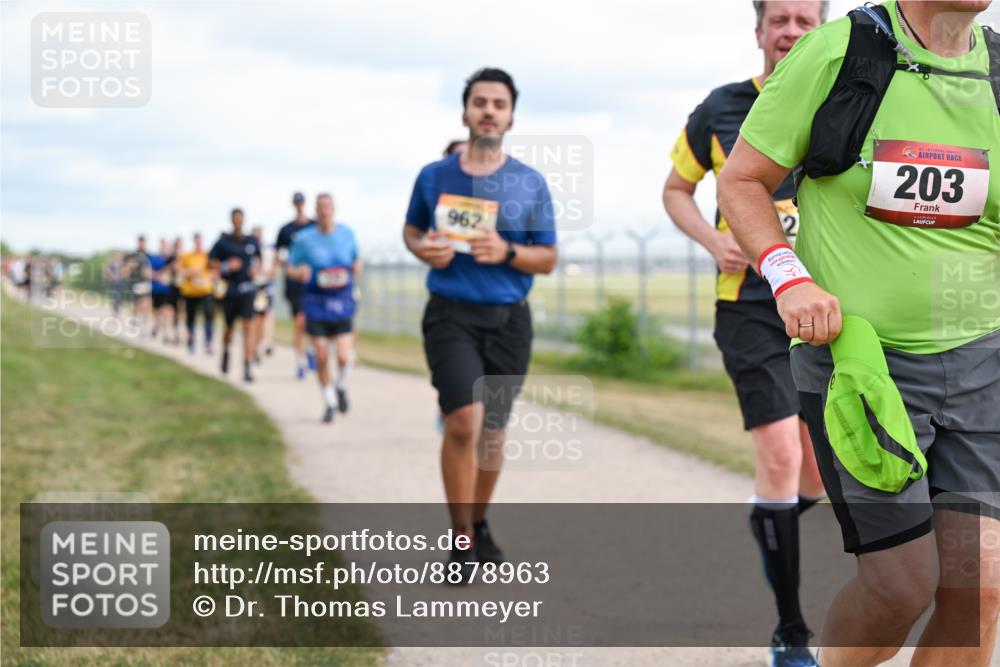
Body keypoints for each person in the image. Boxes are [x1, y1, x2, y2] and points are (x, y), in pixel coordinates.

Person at [719, 1, 999, 665]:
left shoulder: (996, 72)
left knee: (981, 582)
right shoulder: (842, 51)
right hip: (860, 366)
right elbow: (742, 180)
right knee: (901, 584)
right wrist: (789, 278)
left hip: (981, 365)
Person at [662, 2, 827, 664]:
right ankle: (791, 631)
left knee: (815, 472)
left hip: (826, 308)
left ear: (822, 29)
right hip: (751, 309)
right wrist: (712, 240)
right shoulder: (721, 109)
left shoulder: (848, 99)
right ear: (758, 32)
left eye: (803, 20)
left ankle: (771, 517)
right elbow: (676, 189)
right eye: (778, 19)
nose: (789, 31)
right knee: (782, 456)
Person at [403, 68, 558, 583]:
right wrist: (422, 247)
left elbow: (548, 257)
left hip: (510, 320)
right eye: (479, 102)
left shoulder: (530, 183)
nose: (488, 110)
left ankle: (479, 520)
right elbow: (412, 229)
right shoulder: (434, 176)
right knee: (464, 422)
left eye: (498, 103)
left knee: (492, 432)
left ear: (511, 116)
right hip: (451, 314)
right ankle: (461, 541)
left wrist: (509, 251)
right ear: (465, 112)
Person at [288, 194, 360, 423]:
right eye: (320, 207)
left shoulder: (347, 234)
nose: (325, 211)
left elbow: (357, 260)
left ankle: (341, 385)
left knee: (342, 356)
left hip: (342, 300)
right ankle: (328, 401)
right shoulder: (304, 239)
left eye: (328, 206)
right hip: (316, 301)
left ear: (334, 209)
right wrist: (299, 273)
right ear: (316, 211)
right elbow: (290, 268)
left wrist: (357, 267)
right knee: (320, 355)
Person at [209, 208, 261, 383]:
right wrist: (225, 266)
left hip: (247, 289)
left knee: (248, 327)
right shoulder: (223, 242)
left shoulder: (252, 241)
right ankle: (225, 352)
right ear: (232, 220)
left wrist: (256, 270)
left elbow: (259, 260)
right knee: (229, 328)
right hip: (230, 290)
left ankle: (247, 366)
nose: (238, 222)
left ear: (244, 220)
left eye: (241, 219)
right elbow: (211, 264)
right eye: (235, 219)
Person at [275, 192, 316, 378]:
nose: (299, 205)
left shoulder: (314, 226)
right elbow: (279, 256)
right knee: (299, 322)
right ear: (293, 204)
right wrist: (289, 267)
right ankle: (300, 360)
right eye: (297, 202)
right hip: (294, 282)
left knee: (313, 321)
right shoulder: (285, 230)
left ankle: (311, 351)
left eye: (302, 201)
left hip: (313, 282)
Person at [177, 232, 215, 355]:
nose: (198, 243)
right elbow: (180, 271)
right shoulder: (187, 256)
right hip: (190, 292)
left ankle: (208, 342)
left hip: (205, 291)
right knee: (190, 318)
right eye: (196, 240)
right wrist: (190, 272)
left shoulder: (208, 256)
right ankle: (191, 341)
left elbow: (214, 271)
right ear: (194, 241)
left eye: (200, 240)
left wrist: (209, 277)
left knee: (209, 316)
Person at [251, 224, 277, 362]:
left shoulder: (268, 250)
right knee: (257, 319)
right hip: (255, 288)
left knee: (266, 316)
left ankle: (265, 343)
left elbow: (275, 267)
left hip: (265, 287)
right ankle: (257, 347)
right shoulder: (249, 251)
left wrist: (267, 273)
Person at [149, 238, 177, 343]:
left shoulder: (171, 259)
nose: (165, 249)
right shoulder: (154, 258)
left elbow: (176, 269)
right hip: (156, 290)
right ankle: (156, 326)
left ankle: (167, 334)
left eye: (166, 247)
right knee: (158, 312)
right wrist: (157, 275)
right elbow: (147, 272)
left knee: (168, 311)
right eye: (163, 247)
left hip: (168, 290)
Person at [103, 250, 126, 316]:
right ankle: (115, 311)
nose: (119, 256)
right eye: (117, 254)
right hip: (113, 282)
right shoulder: (111, 262)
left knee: (120, 297)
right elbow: (105, 269)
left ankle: (117, 310)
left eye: (120, 255)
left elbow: (125, 271)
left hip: (120, 282)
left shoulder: (122, 263)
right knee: (115, 296)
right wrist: (111, 275)